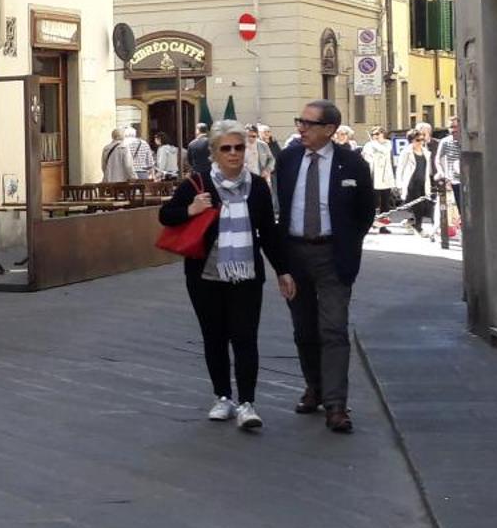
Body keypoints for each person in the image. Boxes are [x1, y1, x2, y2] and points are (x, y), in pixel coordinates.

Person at [157, 122, 295, 432]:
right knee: (215, 338)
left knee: (245, 337)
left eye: (239, 147)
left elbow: (269, 234)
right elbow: (165, 216)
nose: (233, 153)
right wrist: (190, 210)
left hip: (246, 276)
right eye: (226, 148)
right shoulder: (198, 184)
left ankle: (247, 403)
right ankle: (223, 397)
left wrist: (283, 271)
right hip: (205, 277)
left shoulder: (258, 187)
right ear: (214, 153)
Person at [272, 99, 376, 434]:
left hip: (333, 255)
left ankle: (336, 405)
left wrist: (346, 244)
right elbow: (281, 209)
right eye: (299, 121)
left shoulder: (353, 164)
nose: (300, 127)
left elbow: (364, 213)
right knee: (304, 329)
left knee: (333, 329)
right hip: (295, 253)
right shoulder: (286, 160)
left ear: (329, 130)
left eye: (308, 123)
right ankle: (314, 387)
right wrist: (281, 264)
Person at [393, 126, 435, 234]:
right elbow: (400, 169)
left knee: (427, 207)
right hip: (411, 184)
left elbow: (427, 170)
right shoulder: (406, 152)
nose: (420, 142)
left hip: (423, 183)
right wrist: (399, 185)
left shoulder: (426, 152)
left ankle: (410, 222)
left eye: (422, 139)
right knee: (418, 207)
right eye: (418, 140)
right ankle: (418, 228)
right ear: (411, 141)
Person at [364, 126, 397, 224]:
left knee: (385, 202)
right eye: (373, 134)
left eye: (377, 134)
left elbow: (385, 151)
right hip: (373, 176)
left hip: (385, 177)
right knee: (373, 202)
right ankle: (370, 222)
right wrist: (372, 145)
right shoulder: (368, 145)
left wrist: (374, 144)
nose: (375, 136)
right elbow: (368, 156)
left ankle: (383, 223)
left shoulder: (388, 143)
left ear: (383, 134)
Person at [438, 117, 464, 223]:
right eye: (451, 127)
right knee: (459, 207)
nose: (454, 129)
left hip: (468, 179)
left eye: (456, 126)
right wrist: (442, 173)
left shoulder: (466, 139)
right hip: (454, 180)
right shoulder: (445, 142)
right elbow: (438, 159)